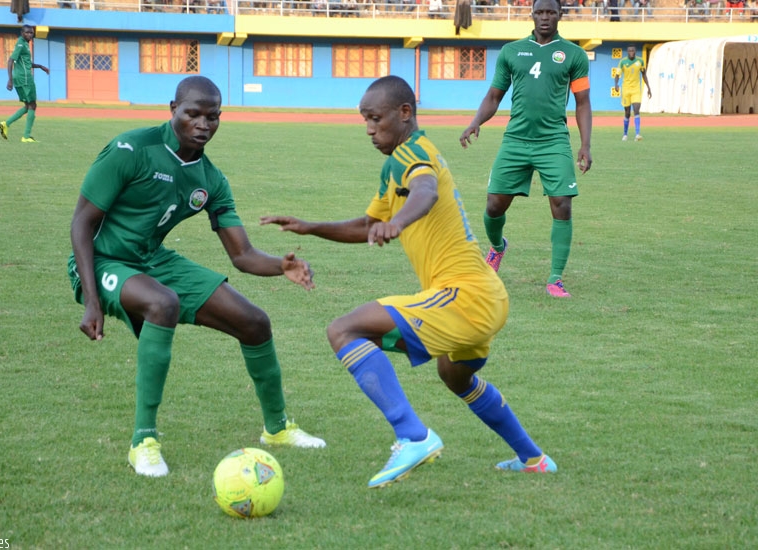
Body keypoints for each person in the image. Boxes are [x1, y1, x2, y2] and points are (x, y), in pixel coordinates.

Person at [261, 75, 557, 489]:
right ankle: (533, 458)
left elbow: (426, 191)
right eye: (365, 120)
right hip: (485, 296)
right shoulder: (394, 164)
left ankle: (413, 435)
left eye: (375, 118)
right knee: (455, 375)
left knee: (344, 330)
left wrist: (398, 223)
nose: (369, 129)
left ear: (404, 113)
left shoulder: (414, 153)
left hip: (464, 296)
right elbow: (367, 225)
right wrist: (309, 227)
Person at [68, 75, 325, 478]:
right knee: (162, 303)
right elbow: (82, 222)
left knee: (254, 322)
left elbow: (242, 255)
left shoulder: (211, 179)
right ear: (173, 109)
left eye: (213, 116)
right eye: (193, 114)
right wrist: (91, 299)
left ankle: (277, 429)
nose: (203, 124)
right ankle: (143, 443)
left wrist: (281, 265)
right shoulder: (131, 149)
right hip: (102, 260)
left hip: (152, 259)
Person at [459, 0, 592, 298]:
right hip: (515, 140)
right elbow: (494, 96)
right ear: (532, 14)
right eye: (540, 12)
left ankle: (555, 278)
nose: (545, 17)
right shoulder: (511, 51)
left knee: (562, 204)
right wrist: (475, 122)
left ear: (560, 15)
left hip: (553, 141)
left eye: (551, 12)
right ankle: (497, 247)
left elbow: (582, 102)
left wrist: (585, 144)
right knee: (494, 205)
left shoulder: (574, 54)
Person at [0, 25, 49, 144]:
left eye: (31, 33)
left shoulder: (24, 44)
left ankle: (6, 124)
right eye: (27, 32)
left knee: (28, 106)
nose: (30, 35)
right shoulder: (21, 44)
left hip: (21, 78)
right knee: (32, 105)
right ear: (22, 33)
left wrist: (40, 66)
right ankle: (26, 136)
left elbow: (26, 63)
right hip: (25, 79)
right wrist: (10, 79)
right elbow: (10, 60)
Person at [614, 45, 652, 142]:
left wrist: (648, 87)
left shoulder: (640, 61)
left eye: (633, 51)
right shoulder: (622, 62)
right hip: (626, 90)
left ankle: (637, 134)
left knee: (636, 110)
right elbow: (617, 75)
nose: (631, 52)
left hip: (636, 89)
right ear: (627, 52)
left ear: (635, 52)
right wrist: (616, 85)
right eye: (630, 51)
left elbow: (644, 74)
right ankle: (625, 134)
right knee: (627, 113)